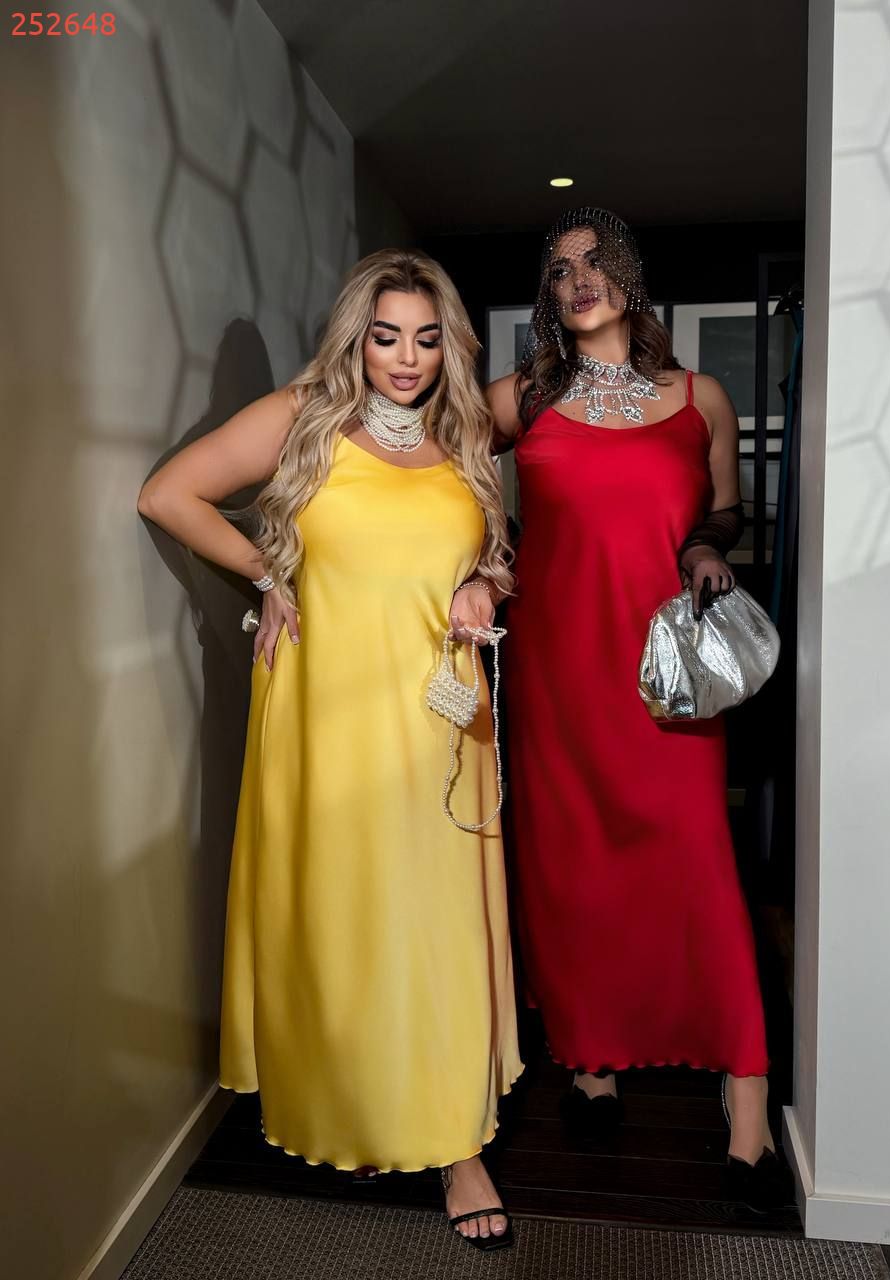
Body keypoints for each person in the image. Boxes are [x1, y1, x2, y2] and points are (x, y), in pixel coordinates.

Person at [138, 249, 522, 1250]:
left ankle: (459, 1146)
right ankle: (354, 1101)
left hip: (439, 715)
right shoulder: (303, 415)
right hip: (325, 710)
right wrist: (269, 575)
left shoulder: (462, 429)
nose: (406, 358)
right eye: (386, 336)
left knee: (435, 926)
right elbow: (169, 495)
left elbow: (491, 550)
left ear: (448, 345)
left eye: (426, 338)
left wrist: (482, 583)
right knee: (346, 913)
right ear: (357, 336)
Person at [487, 208, 785, 1209]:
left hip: (667, 675)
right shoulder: (523, 397)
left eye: (596, 260)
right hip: (555, 671)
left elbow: (725, 507)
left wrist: (703, 544)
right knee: (575, 870)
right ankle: (591, 1055)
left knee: (698, 864)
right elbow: (430, 462)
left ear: (631, 274)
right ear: (547, 293)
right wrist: (483, 556)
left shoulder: (700, 396)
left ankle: (747, 1088)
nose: (578, 278)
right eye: (559, 267)